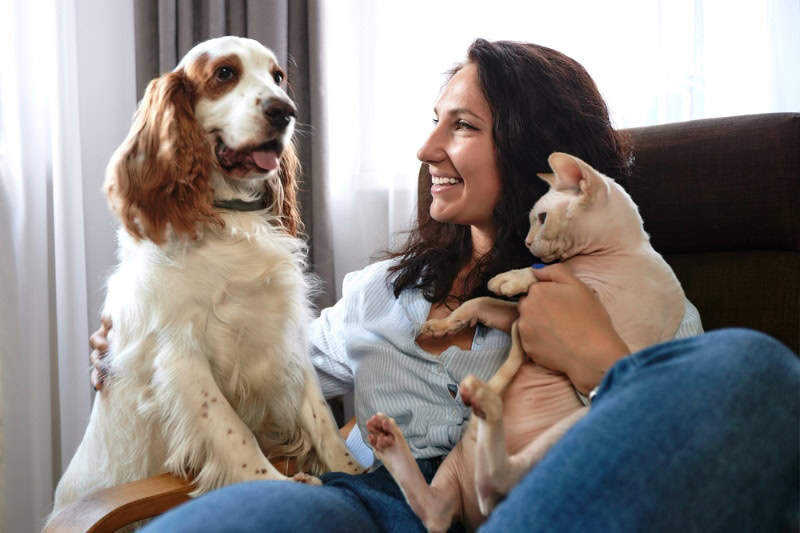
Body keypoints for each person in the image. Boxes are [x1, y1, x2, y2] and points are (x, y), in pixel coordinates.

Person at [88, 39, 799, 532]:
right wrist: (136, 343)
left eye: (460, 126)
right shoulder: (376, 293)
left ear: (529, 144)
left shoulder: (627, 284)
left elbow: (698, 427)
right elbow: (250, 359)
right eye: (434, 123)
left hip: (537, 500)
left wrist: (599, 358)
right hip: (365, 505)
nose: (427, 150)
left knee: (752, 365)